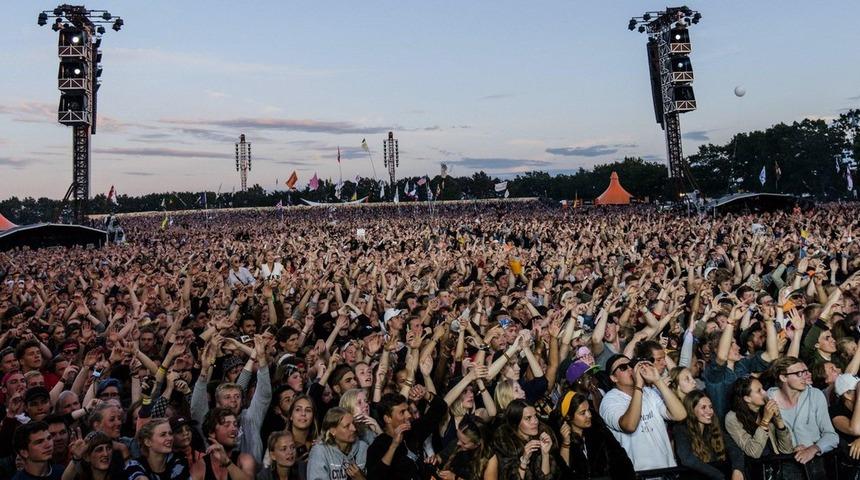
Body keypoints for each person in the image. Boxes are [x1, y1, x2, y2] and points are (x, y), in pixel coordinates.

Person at [598, 354, 686, 472]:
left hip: (667, 470)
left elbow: (680, 415)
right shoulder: (609, 400)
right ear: (613, 378)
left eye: (631, 365)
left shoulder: (649, 392)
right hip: (640, 474)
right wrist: (638, 385)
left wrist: (658, 381)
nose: (630, 369)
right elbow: (630, 426)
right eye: (623, 367)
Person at [767, 356, 838, 475]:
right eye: (800, 373)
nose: (806, 376)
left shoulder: (815, 395)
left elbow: (832, 436)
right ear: (783, 377)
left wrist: (813, 449)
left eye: (806, 371)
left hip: (814, 464)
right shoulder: (768, 400)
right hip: (783, 466)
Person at [365, 392, 446, 480]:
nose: (409, 415)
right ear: (387, 419)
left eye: (408, 410)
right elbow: (375, 477)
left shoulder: (413, 430)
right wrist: (393, 446)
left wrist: (426, 394)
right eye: (402, 412)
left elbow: (440, 409)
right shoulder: (378, 446)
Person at [556, 391, 634, 480]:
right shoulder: (559, 439)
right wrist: (565, 444)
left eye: (589, 410)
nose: (589, 415)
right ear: (568, 417)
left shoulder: (599, 431)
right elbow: (562, 473)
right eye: (583, 413)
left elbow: (622, 461)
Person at [673, 390, 745, 480]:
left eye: (710, 407)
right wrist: (718, 475)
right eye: (703, 407)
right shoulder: (680, 429)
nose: (709, 411)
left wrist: (737, 470)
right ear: (691, 410)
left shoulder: (713, 427)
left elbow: (734, 449)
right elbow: (687, 459)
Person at [485, 399, 559, 479]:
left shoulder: (542, 437)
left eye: (535, 416)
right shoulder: (506, 446)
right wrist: (524, 461)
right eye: (528, 418)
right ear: (516, 423)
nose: (535, 421)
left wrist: (545, 455)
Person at [725, 377, 794, 459]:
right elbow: (754, 452)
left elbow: (787, 451)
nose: (765, 392)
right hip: (756, 468)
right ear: (747, 398)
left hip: (776, 464)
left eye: (763, 389)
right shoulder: (732, 418)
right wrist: (765, 420)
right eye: (759, 391)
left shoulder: (764, 410)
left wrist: (779, 420)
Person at [306, 407, 368, 480]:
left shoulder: (363, 448)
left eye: (353, 424)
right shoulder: (320, 451)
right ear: (333, 431)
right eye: (347, 426)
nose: (354, 429)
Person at [123, 418, 190, 480]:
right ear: (148, 442)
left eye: (170, 433)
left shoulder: (179, 462)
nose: (170, 438)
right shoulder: (134, 465)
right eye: (163, 435)